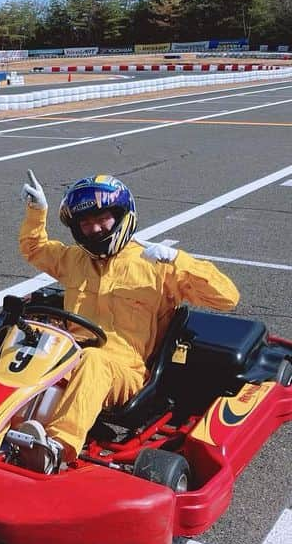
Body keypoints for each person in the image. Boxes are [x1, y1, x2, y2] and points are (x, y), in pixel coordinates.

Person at [16, 170, 239, 473]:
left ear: (121, 216)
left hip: (126, 374)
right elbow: (35, 249)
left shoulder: (155, 267)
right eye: (85, 223)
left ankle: (56, 447)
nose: (94, 229)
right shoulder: (74, 260)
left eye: (102, 219)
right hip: (66, 356)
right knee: (20, 338)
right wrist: (36, 211)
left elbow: (227, 297)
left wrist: (178, 260)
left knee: (94, 360)